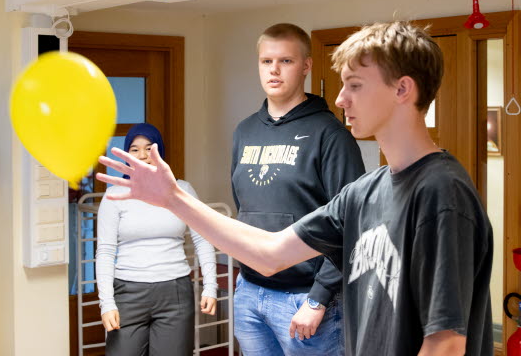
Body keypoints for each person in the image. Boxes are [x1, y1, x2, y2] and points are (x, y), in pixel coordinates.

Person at [96, 21, 494, 356]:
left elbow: (445, 343)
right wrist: (173, 198)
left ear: (402, 89)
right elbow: (270, 254)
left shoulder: (441, 192)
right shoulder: (364, 193)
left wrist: (316, 299)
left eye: (355, 85)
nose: (340, 98)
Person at [230, 23, 364, 355]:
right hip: (249, 292)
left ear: (306, 66)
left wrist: (319, 298)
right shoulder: (244, 131)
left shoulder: (330, 135)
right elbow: (244, 209)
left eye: (285, 61)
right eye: (266, 61)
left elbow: (352, 224)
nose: (273, 70)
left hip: (306, 300)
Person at [95, 123, 218, 356]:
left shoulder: (182, 190)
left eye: (149, 148)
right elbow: (105, 252)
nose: (142, 155)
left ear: (159, 151)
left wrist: (210, 286)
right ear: (126, 154)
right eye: (134, 149)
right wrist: (107, 303)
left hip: (175, 293)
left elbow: (203, 239)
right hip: (127, 293)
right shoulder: (114, 195)